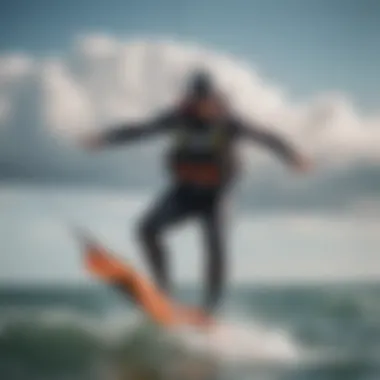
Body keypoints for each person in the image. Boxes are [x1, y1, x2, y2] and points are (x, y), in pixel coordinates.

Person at [82, 69, 312, 316]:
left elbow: (267, 137)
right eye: (196, 100)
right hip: (184, 193)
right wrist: (105, 138)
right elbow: (140, 130)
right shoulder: (177, 118)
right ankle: (163, 292)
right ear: (190, 99)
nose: (203, 106)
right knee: (146, 229)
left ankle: (210, 310)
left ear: (214, 99)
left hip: (216, 197)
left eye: (207, 100)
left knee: (215, 247)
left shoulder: (229, 122)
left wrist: (292, 155)